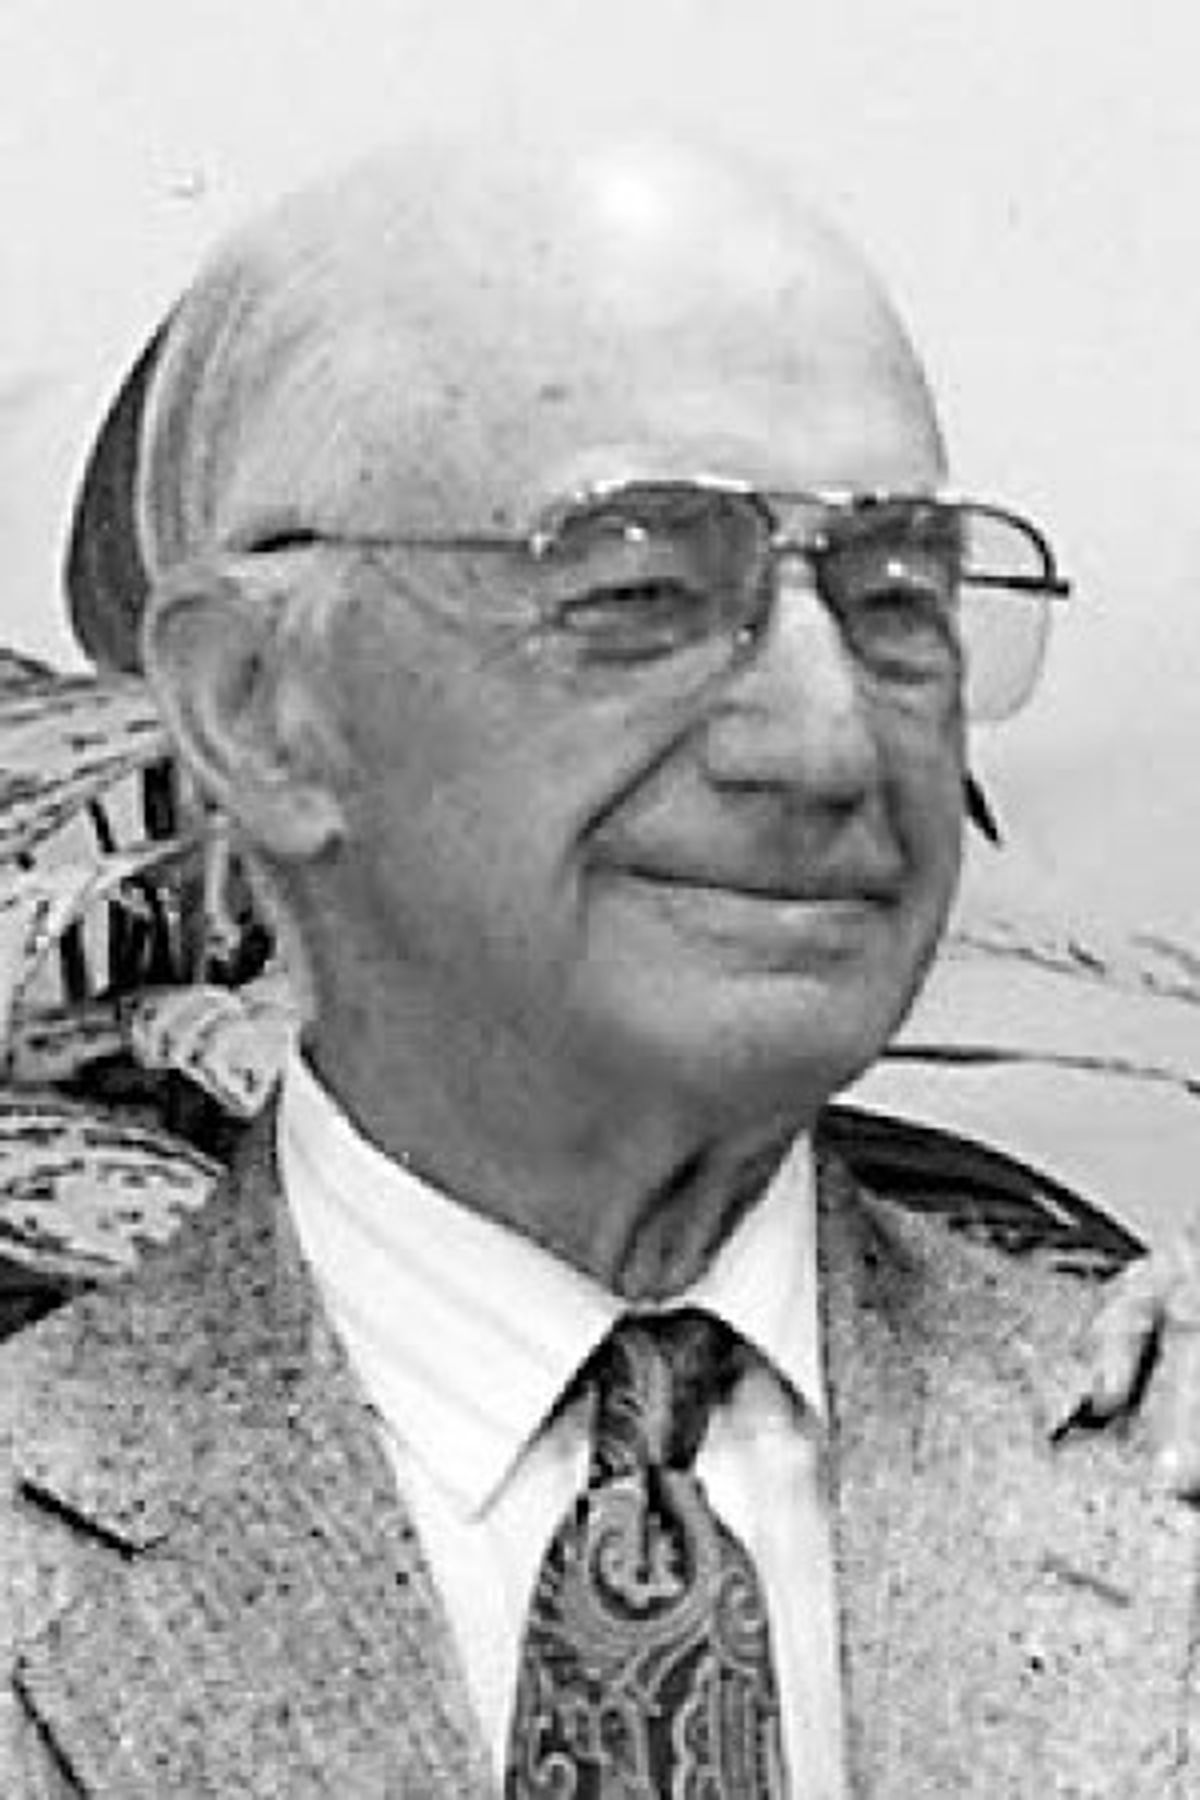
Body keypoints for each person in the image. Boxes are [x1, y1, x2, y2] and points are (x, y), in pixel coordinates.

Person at [2, 126, 1196, 1798]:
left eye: (898, 594)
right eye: (638, 586)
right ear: (261, 710)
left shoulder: (1157, 1468)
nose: (827, 742)